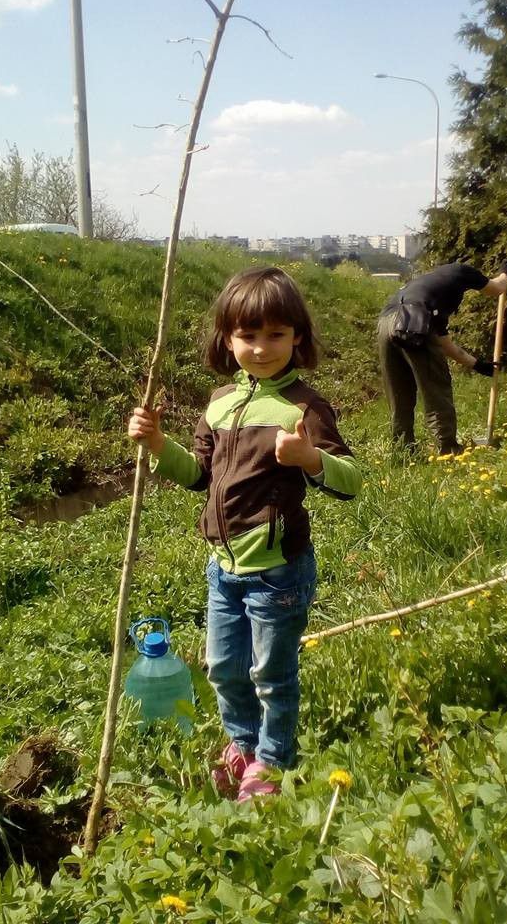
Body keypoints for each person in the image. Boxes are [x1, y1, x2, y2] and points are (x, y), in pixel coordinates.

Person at [128, 267, 361, 802]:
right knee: (224, 669)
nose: (261, 348)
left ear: (297, 337)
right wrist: (158, 444)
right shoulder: (219, 403)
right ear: (227, 339)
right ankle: (243, 745)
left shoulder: (304, 407)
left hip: (277, 572)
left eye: (276, 335)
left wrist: (310, 458)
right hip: (222, 569)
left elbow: (352, 483)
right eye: (248, 336)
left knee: (271, 675)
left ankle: (273, 763)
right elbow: (198, 477)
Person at [375, 261, 507, 455]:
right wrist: (505, 272)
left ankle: (403, 451)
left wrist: (478, 365)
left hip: (386, 322)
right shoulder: (462, 271)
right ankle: (448, 448)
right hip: (414, 319)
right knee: (436, 386)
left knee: (399, 392)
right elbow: (497, 288)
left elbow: (445, 344)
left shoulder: (430, 293)